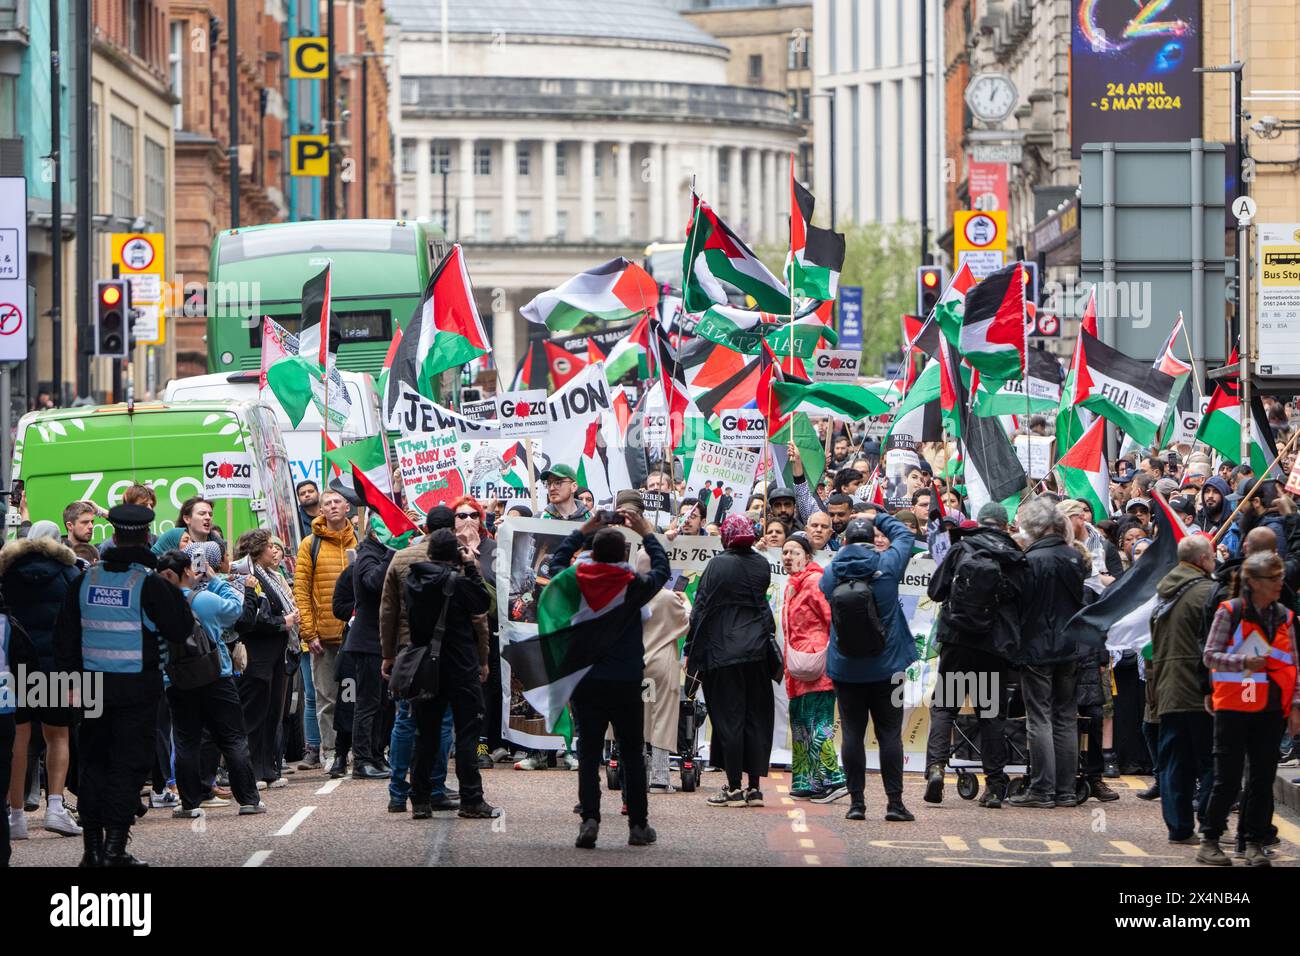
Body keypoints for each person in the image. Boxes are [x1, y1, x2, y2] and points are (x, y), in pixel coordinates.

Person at [52, 505, 194, 866]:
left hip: (91, 689)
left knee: (94, 764)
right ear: (146, 536)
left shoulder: (85, 579)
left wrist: (70, 687)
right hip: (136, 690)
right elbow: (180, 630)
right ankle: (114, 848)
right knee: (127, 766)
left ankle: (91, 850)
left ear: (113, 535)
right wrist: (177, 590)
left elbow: (64, 639)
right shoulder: (149, 583)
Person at [543, 505, 670, 847]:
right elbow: (663, 569)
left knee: (588, 752)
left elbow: (555, 565)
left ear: (593, 553)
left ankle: (589, 820)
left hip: (586, 678)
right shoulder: (635, 585)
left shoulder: (575, 580)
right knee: (631, 751)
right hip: (627, 678)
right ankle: (639, 826)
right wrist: (646, 530)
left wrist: (582, 530)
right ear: (624, 555)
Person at [386, 529, 500, 820]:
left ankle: (420, 799)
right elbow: (483, 604)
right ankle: (471, 799)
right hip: (459, 664)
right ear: (454, 554)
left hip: (426, 666)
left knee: (426, 734)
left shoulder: (414, 580)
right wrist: (472, 568)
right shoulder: (457, 581)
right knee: (467, 733)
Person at [1197, 551, 1300, 867]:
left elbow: (1293, 664)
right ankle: (1210, 840)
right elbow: (1210, 656)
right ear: (1254, 583)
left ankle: (1253, 843)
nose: (1280, 583)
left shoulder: (1284, 615)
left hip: (1270, 708)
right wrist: (1243, 661)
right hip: (1233, 706)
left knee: (1262, 778)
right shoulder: (1230, 612)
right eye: (1274, 578)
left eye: (1281, 577)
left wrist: (1295, 706)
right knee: (1227, 779)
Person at [924, 502, 1025, 808]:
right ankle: (994, 786)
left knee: (945, 708)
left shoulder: (962, 548)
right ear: (1005, 525)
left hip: (958, 641)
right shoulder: (1014, 555)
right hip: (993, 646)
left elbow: (935, 591)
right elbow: (1022, 601)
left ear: (980, 523)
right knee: (991, 715)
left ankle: (937, 768)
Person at [159, 544, 264, 818]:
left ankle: (190, 804)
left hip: (176, 679)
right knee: (232, 738)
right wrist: (214, 580)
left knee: (186, 741)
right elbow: (236, 610)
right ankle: (249, 800)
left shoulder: (156, 606)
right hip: (217, 674)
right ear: (187, 570)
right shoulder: (203, 599)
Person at [822, 514, 916, 822]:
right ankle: (895, 804)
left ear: (845, 541)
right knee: (889, 734)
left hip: (846, 666)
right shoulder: (888, 565)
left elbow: (826, 593)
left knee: (851, 733)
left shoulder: (831, 572)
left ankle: (857, 804)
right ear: (872, 539)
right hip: (888, 666)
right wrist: (877, 515)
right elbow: (903, 534)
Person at [684, 515, 776, 808]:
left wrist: (690, 649)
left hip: (722, 650)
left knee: (729, 719)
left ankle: (734, 787)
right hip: (758, 649)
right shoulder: (762, 564)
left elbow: (701, 608)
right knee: (756, 717)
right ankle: (754, 788)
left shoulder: (718, 564)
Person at [1, 521, 84, 838]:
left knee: (17, 741)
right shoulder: (69, 571)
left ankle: (16, 816)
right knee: (58, 736)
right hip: (56, 666)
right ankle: (55, 807)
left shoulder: (6, 570)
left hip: (14, 666)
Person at [1008, 497, 1088, 808]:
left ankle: (1042, 788)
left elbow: (1021, 604)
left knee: (1039, 717)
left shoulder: (1030, 560)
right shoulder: (1073, 557)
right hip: (1069, 646)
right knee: (1066, 717)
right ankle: (1066, 789)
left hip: (1036, 646)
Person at [379, 507, 462, 809]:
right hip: (445, 650)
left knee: (404, 719)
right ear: (452, 528)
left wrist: (388, 654)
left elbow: (387, 611)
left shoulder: (401, 557)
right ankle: (434, 789)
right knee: (441, 721)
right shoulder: (457, 558)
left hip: (407, 648)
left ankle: (398, 793)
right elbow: (474, 611)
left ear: (425, 526)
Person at [1149, 535, 1217, 846]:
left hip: (1168, 688)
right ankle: (1210, 824)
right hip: (1199, 689)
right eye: (1212, 557)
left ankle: (1178, 826)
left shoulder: (1163, 593)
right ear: (1203, 560)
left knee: (1175, 762)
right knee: (1210, 760)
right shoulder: (1207, 593)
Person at [293, 489, 357, 777]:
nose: (332, 507)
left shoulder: (362, 540)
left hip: (357, 635)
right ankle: (331, 752)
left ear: (346, 507)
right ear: (320, 510)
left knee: (359, 696)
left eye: (336, 502)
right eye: (326, 503)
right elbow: (301, 591)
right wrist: (309, 631)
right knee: (327, 698)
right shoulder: (310, 544)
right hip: (325, 636)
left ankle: (357, 748)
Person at [781, 534, 847, 802]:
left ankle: (834, 779)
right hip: (797, 668)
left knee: (818, 722)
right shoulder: (791, 586)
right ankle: (807, 780)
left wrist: (825, 652)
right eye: (784, 552)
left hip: (817, 665)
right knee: (799, 721)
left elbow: (833, 619)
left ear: (807, 556)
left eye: (794, 552)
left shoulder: (815, 582)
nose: (788, 557)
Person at [234, 529, 298, 789]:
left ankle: (268, 767)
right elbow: (252, 617)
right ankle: (252, 771)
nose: (275, 550)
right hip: (257, 653)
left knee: (273, 712)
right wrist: (283, 621)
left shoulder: (274, 576)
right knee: (254, 714)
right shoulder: (246, 577)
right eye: (269, 546)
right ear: (257, 550)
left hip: (277, 653)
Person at [342, 519, 396, 780]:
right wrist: (392, 553)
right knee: (367, 703)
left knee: (383, 703)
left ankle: (376, 753)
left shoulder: (379, 552)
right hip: (367, 640)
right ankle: (362, 760)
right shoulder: (368, 553)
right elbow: (373, 583)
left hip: (381, 639)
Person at [152, 496, 220, 555]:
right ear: (187, 519)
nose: (208, 517)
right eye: (202, 514)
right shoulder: (172, 537)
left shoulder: (217, 542)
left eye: (210, 514)